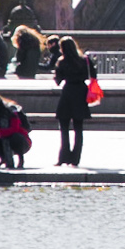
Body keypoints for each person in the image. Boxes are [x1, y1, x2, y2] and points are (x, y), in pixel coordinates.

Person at [52, 36, 97, 168]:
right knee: (78, 128)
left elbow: (58, 80)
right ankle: (75, 158)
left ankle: (63, 157)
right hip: (81, 92)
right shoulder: (84, 60)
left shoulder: (62, 62)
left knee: (64, 128)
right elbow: (93, 75)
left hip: (67, 93)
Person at [0, 94, 32, 170]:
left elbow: (13, 130)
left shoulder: (11, 114)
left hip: (21, 140)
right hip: (3, 139)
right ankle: (3, 157)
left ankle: (20, 158)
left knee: (14, 137)